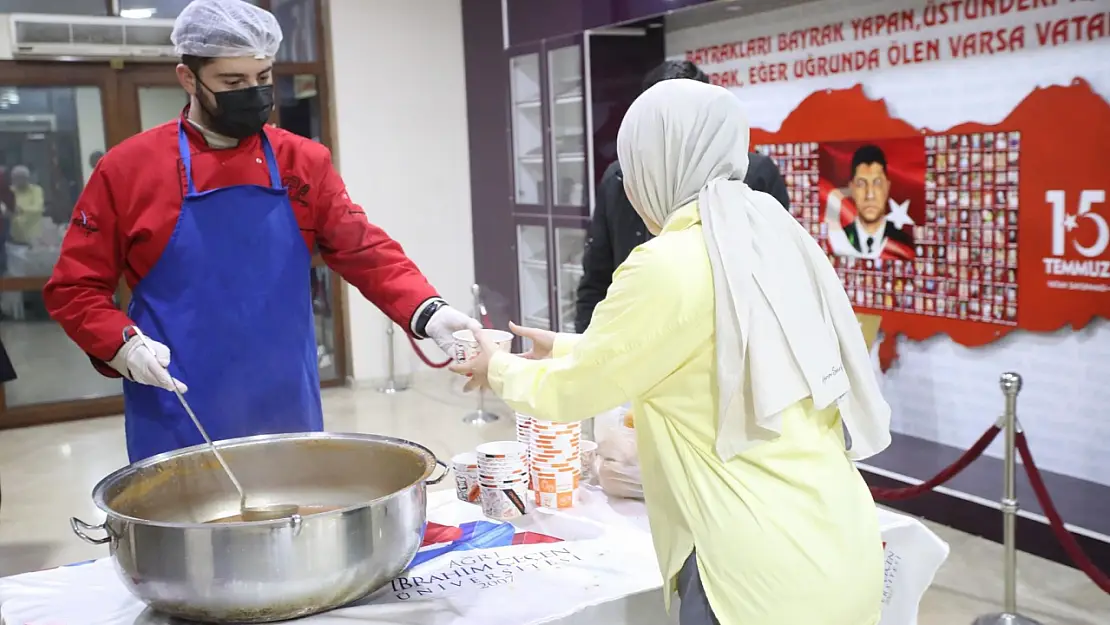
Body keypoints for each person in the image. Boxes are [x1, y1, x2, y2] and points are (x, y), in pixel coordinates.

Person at [452, 80, 891, 625]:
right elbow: (705, 351)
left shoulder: (667, 262)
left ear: (656, 166)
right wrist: (567, 346)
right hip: (841, 545)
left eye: (631, 164)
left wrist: (496, 366)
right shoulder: (773, 237)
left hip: (750, 576)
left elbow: (569, 393)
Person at [43, 0, 479, 464]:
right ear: (188, 78)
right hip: (179, 403)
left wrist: (427, 309)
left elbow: (362, 248)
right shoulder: (129, 169)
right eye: (233, 82)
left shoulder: (302, 161)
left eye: (263, 78)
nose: (252, 92)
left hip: (284, 399)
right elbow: (74, 288)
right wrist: (123, 345)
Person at [574, 60, 790, 332]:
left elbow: (776, 281)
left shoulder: (753, 175)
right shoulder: (621, 178)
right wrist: (581, 347)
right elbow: (597, 279)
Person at [827, 144, 913, 260]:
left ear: (887, 187)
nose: (870, 195)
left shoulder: (904, 244)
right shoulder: (840, 239)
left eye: (877, 183)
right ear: (852, 188)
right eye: (861, 184)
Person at [8, 166, 45, 245]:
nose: (17, 180)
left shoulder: (36, 190)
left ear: (27, 178)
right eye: (15, 178)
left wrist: (21, 209)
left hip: (32, 237)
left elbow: (38, 208)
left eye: (21, 177)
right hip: (13, 237)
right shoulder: (9, 191)